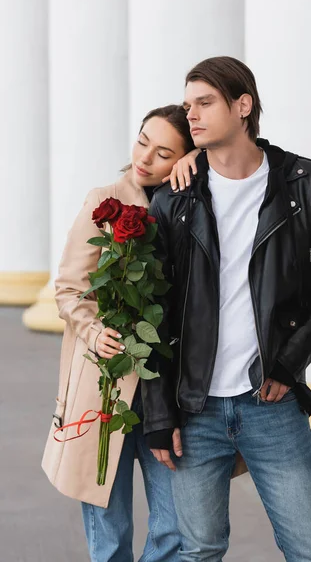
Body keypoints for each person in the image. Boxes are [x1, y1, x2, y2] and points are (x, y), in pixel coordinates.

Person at [142, 57, 311, 562]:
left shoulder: (307, 184)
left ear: (243, 106)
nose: (192, 116)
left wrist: (289, 361)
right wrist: (159, 413)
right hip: (193, 408)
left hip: (272, 405)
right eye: (188, 105)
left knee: (309, 547)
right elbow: (150, 311)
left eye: (205, 103)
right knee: (199, 549)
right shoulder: (174, 200)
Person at [42, 104, 199, 562]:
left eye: (165, 152)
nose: (145, 157)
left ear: (185, 159)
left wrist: (202, 165)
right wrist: (94, 333)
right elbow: (69, 289)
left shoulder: (193, 206)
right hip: (104, 386)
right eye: (143, 140)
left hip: (165, 390)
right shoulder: (103, 200)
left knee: (176, 527)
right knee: (109, 531)